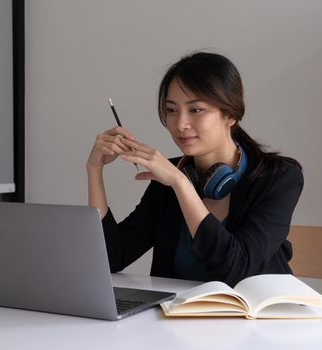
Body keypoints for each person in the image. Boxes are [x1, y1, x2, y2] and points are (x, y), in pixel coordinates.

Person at [86, 52, 303, 287]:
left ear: (230, 114)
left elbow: (235, 271)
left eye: (196, 110)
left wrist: (180, 184)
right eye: (171, 110)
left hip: (252, 320)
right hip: (176, 320)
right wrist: (94, 170)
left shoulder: (279, 177)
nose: (180, 124)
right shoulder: (169, 176)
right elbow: (110, 258)